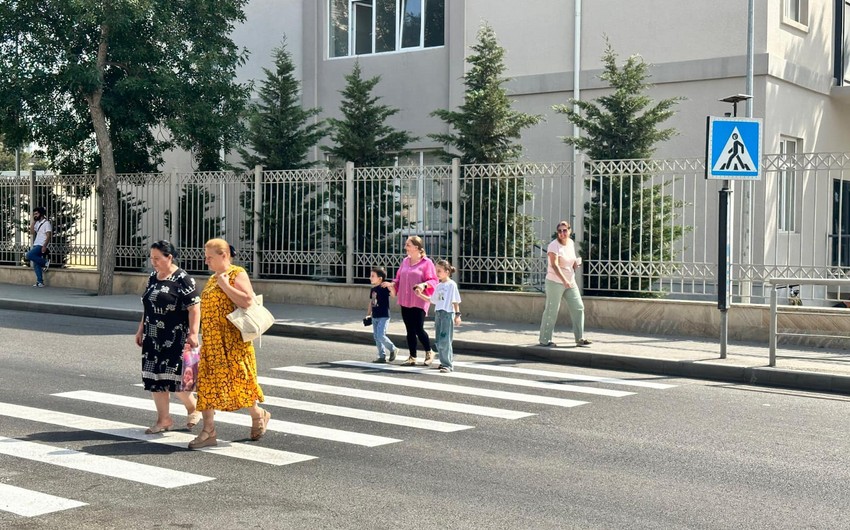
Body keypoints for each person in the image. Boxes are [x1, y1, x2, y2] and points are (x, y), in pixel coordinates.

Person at [189, 238, 271, 449]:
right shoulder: (212, 278)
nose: (206, 261)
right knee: (206, 385)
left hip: (233, 342)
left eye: (209, 257)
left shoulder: (236, 273)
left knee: (240, 382)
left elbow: (247, 301)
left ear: (223, 255)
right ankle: (209, 431)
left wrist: (225, 286)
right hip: (212, 343)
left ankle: (258, 414)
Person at [134, 240, 202, 434]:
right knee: (155, 379)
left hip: (176, 337)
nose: (153, 262)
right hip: (153, 336)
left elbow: (194, 308)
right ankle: (164, 419)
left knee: (177, 380)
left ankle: (193, 407)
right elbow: (147, 307)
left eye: (157, 258)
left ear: (169, 257)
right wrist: (140, 330)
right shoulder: (153, 277)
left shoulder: (183, 279)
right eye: (151, 258)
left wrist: (193, 333)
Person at [381, 236, 439, 366]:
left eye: (408, 245)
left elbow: (434, 280)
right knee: (409, 330)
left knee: (418, 328)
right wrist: (391, 284)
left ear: (416, 247)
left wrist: (423, 285)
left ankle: (429, 351)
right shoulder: (405, 261)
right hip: (405, 299)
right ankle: (412, 356)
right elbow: (398, 279)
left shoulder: (426, 263)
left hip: (419, 300)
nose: (405, 247)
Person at [538, 221, 592, 348]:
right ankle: (545, 339)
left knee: (578, 307)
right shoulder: (553, 246)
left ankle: (579, 338)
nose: (562, 233)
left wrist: (574, 264)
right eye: (560, 231)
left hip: (570, 282)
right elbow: (554, 265)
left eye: (564, 230)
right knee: (552, 310)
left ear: (569, 231)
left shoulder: (571, 243)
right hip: (555, 282)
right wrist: (564, 281)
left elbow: (569, 260)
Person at [418, 259, 462, 373]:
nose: (437, 273)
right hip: (439, 314)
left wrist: (457, 315)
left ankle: (448, 365)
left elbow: (455, 301)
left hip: (447, 314)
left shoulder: (452, 285)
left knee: (445, 340)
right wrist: (420, 294)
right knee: (439, 340)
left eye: (439, 271)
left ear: (447, 272)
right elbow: (432, 300)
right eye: (436, 271)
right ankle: (444, 362)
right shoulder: (438, 286)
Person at [366, 266, 399, 363]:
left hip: (384, 316)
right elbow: (372, 302)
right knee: (376, 337)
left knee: (381, 335)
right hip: (375, 315)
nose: (370, 278)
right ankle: (382, 356)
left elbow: (393, 295)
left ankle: (393, 349)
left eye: (372, 276)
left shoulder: (384, 287)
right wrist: (368, 314)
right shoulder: (373, 289)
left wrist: (390, 286)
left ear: (380, 278)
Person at [27, 206, 52, 288]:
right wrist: (33, 221)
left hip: (41, 244)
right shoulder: (37, 223)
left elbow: (48, 236)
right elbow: (31, 232)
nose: (35, 215)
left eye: (36, 214)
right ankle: (40, 282)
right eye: (34, 214)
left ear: (41, 214)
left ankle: (45, 262)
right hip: (36, 244)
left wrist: (44, 246)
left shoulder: (46, 223)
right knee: (36, 265)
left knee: (29, 255)